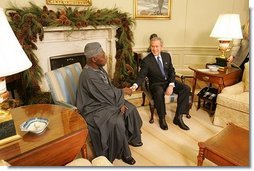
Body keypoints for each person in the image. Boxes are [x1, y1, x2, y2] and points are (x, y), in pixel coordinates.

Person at [76, 42, 143, 165]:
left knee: (131, 108)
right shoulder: (89, 75)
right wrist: (121, 97)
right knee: (117, 122)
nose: (106, 57)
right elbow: (105, 94)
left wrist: (119, 101)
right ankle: (124, 153)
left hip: (105, 101)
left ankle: (133, 138)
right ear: (94, 59)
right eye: (102, 55)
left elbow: (108, 90)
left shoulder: (98, 68)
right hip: (93, 108)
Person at [131, 37, 191, 131]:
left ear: (161, 47)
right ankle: (162, 118)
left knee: (186, 88)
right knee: (159, 92)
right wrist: (135, 85)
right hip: (156, 84)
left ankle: (178, 117)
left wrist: (171, 85)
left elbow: (172, 71)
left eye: (157, 46)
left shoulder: (166, 56)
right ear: (150, 47)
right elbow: (141, 76)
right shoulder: (146, 61)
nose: (155, 49)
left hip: (168, 82)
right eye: (152, 46)